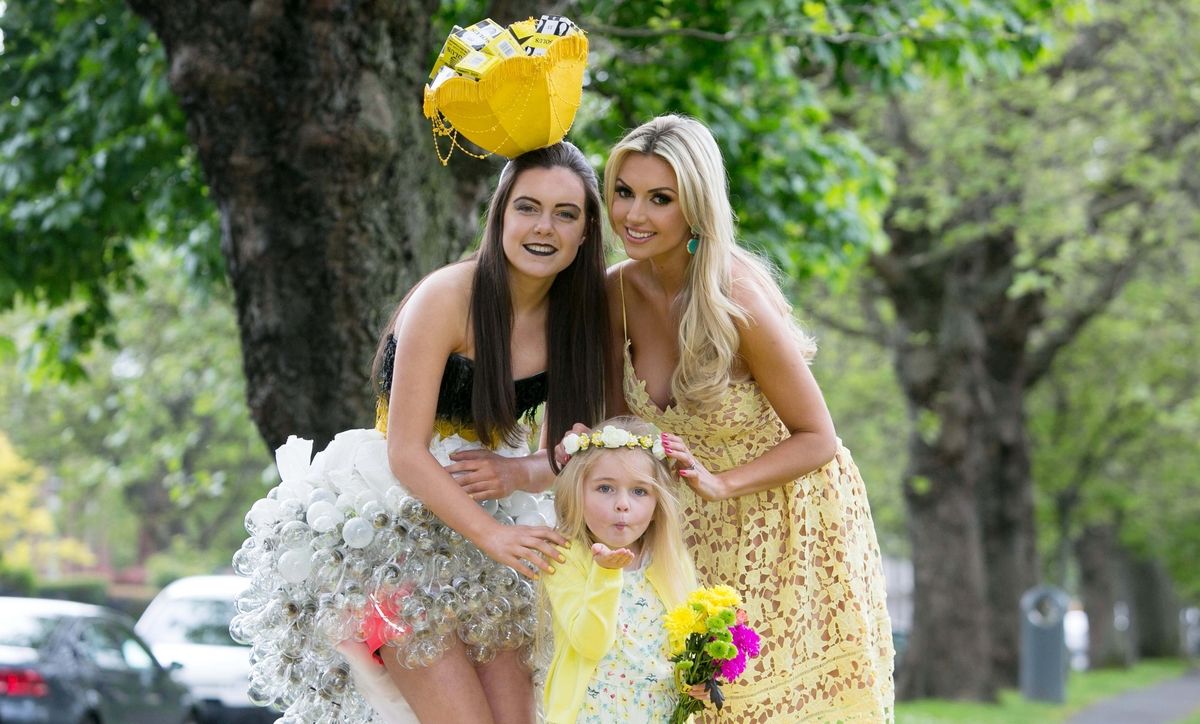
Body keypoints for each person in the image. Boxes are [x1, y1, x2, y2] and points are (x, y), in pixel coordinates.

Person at [232, 140, 610, 724]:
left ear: (585, 232)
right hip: (388, 529)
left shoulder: (577, 321)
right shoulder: (447, 297)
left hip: (489, 530)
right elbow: (405, 452)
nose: (545, 227)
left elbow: (566, 454)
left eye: (566, 214)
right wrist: (492, 536)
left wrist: (514, 471)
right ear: (500, 215)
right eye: (528, 208)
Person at [602, 115, 895, 722]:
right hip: (687, 523)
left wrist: (721, 483)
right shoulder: (613, 294)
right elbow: (615, 428)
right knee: (689, 702)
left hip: (788, 519)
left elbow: (820, 438)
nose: (634, 214)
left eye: (661, 199)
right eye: (624, 191)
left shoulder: (733, 295)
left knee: (764, 706)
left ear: (696, 208)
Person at [541, 417, 698, 724]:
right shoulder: (566, 557)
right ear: (578, 493)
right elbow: (591, 643)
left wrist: (700, 678)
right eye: (605, 488)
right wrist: (606, 573)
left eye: (639, 491)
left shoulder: (668, 558)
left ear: (656, 507)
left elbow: (687, 640)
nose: (622, 504)